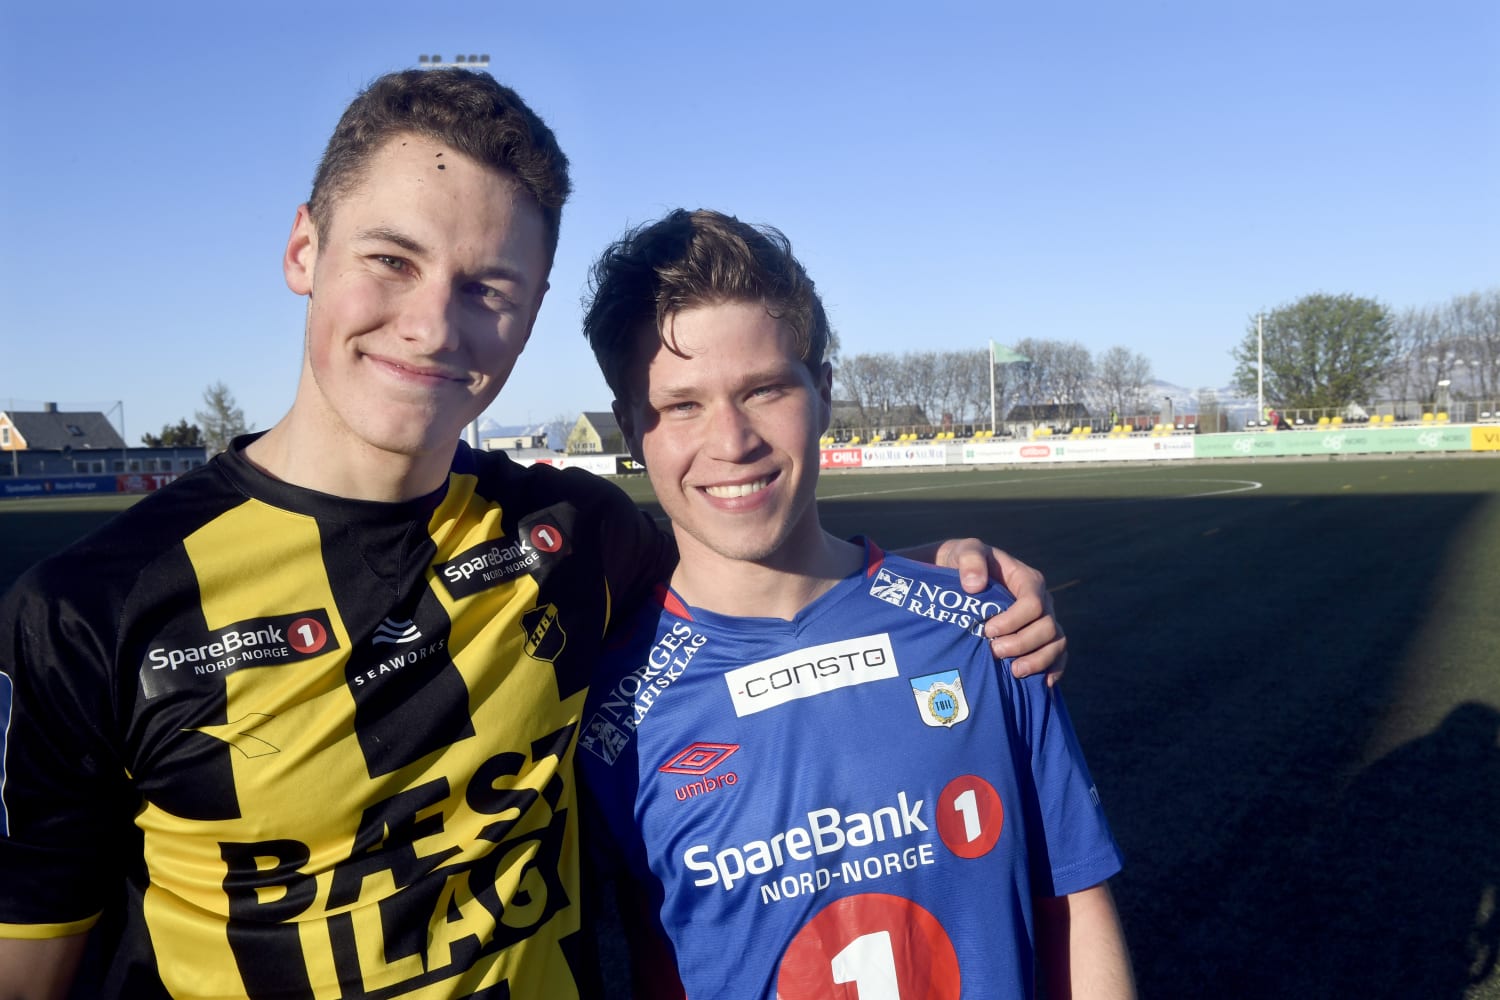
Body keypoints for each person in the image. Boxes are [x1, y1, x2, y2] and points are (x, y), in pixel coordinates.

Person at [0, 71, 1064, 999]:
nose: (432, 325)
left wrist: (936, 576)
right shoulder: (91, 611)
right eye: (392, 259)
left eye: (487, 288)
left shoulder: (574, 536)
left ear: (532, 310)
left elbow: (759, 563)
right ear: (303, 247)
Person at [578, 209, 1135, 999]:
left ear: (824, 393)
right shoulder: (608, 718)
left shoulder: (985, 629)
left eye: (764, 389)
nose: (732, 442)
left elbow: (1075, 904)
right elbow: (653, 960)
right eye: (682, 405)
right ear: (632, 428)